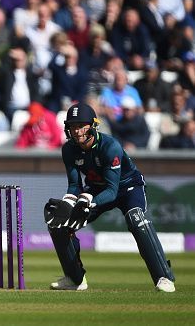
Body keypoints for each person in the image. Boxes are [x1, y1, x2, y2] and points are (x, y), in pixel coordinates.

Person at [44, 102, 175, 293]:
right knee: (60, 223)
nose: (77, 131)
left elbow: (113, 191)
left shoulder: (110, 146)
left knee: (136, 218)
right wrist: (69, 202)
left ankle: (164, 277)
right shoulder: (69, 149)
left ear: (92, 125)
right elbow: (74, 185)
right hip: (96, 188)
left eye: (81, 125)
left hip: (127, 187)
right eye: (72, 126)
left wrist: (88, 201)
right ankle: (75, 279)